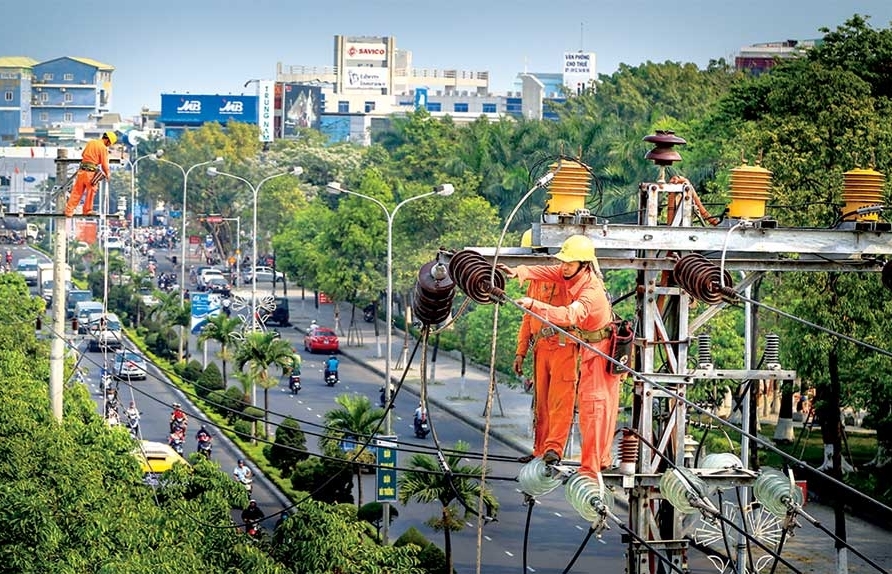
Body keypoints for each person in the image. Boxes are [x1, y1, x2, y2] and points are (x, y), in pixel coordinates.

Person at [500, 235, 622, 475]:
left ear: (584, 264)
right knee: (543, 402)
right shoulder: (566, 275)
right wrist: (519, 271)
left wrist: (535, 305)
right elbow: (545, 274)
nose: (563, 266)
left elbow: (568, 316)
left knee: (587, 405)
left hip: (582, 348)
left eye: (569, 262)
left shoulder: (589, 291)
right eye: (563, 262)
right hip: (557, 347)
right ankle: (544, 449)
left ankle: (579, 459)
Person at [513, 230, 576, 464]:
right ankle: (539, 449)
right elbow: (528, 318)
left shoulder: (566, 280)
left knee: (560, 402)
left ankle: (554, 449)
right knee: (541, 404)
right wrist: (521, 352)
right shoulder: (536, 281)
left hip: (563, 345)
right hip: (541, 347)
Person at [64, 131, 116, 217]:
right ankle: (87, 210)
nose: (109, 145)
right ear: (108, 140)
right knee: (91, 191)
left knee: (76, 191)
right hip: (91, 173)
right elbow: (104, 164)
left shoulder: (91, 142)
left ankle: (69, 211)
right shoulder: (103, 148)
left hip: (81, 171)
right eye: (109, 143)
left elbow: (83, 154)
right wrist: (108, 174)